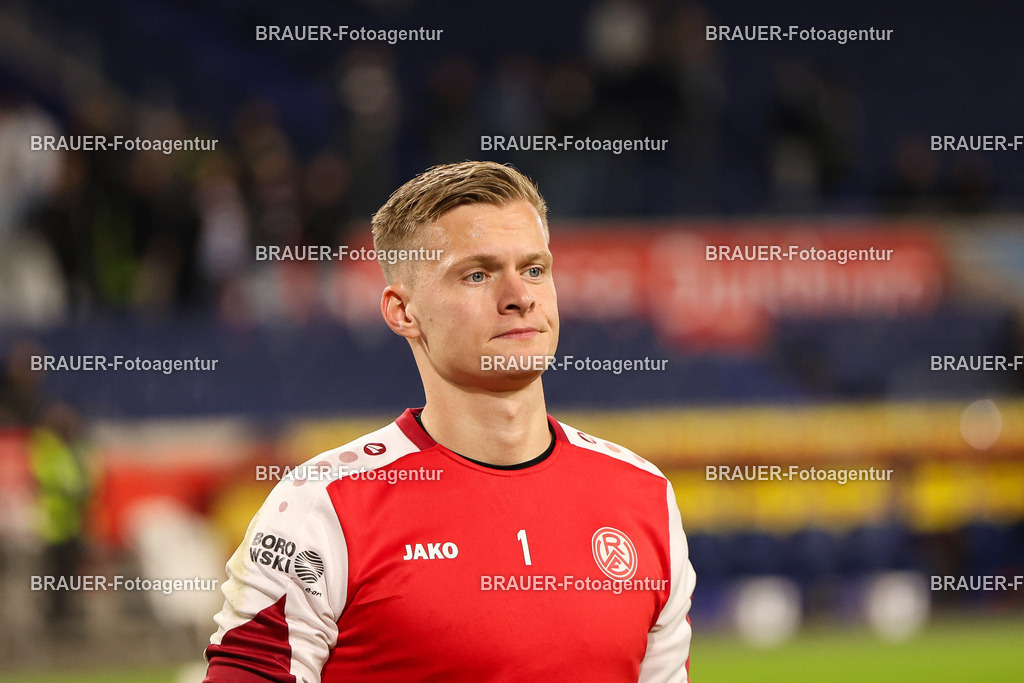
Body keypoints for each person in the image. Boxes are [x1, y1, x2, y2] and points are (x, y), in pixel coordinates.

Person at [204, 161, 695, 682]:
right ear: (402, 312)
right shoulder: (323, 507)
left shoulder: (644, 496)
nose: (519, 296)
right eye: (477, 274)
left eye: (534, 269)